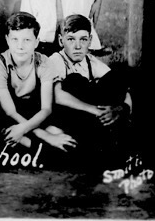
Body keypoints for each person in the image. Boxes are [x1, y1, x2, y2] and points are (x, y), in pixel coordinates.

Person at [0, 12, 76, 152]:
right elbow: (10, 111)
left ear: (36, 42)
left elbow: (46, 108)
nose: (20, 46)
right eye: (14, 39)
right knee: (22, 139)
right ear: (7, 40)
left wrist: (28, 128)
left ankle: (42, 144)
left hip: (33, 111)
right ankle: (38, 147)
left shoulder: (44, 62)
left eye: (27, 40)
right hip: (7, 113)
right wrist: (44, 135)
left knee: (59, 133)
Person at [51, 14, 132, 158]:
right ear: (61, 40)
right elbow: (58, 96)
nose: (77, 46)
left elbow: (119, 85)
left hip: (91, 112)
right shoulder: (56, 60)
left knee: (120, 74)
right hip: (68, 115)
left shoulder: (89, 61)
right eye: (71, 39)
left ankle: (107, 129)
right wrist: (96, 110)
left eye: (83, 39)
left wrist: (121, 109)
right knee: (74, 80)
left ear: (90, 40)